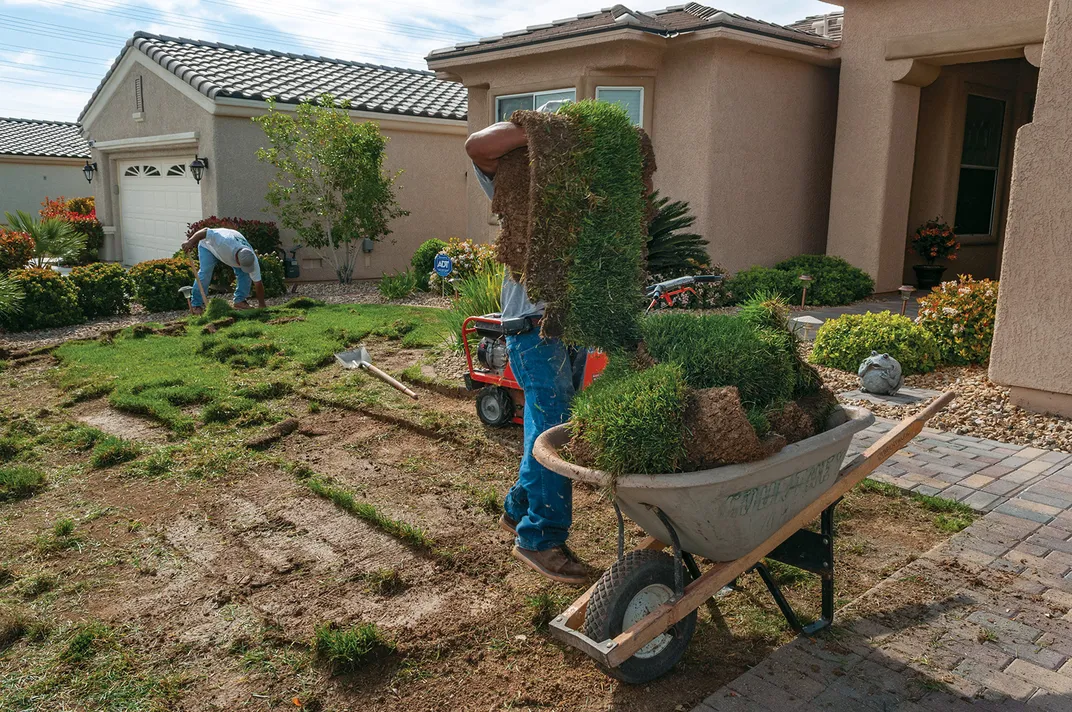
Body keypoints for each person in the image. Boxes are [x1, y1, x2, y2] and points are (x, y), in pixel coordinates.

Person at [464, 104, 590, 585]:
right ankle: (540, 538)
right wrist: (539, 128)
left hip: (568, 328)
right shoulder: (520, 178)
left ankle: (518, 510)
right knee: (554, 433)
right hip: (532, 329)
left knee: (543, 425)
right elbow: (477, 146)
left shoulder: (575, 196)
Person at [181, 226, 267, 314]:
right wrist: (190, 242)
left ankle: (240, 301)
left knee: (245, 273)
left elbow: (258, 283)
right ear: (237, 259)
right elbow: (205, 231)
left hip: (228, 249)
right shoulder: (223, 241)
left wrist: (262, 304)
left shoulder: (251, 258)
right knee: (205, 272)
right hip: (208, 247)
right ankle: (196, 305)